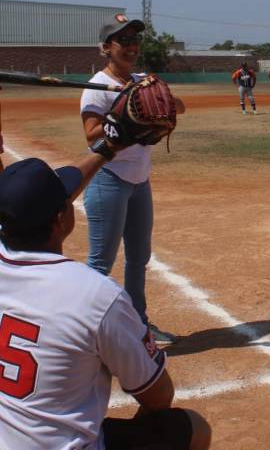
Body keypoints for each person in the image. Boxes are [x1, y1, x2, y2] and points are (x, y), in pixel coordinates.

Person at [0, 153, 211, 449]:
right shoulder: (95, 294)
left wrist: (108, 147)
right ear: (60, 218)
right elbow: (158, 396)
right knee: (192, 428)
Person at [80, 15, 184, 345]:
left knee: (138, 258)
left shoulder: (142, 81)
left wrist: (160, 99)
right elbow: (91, 137)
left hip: (140, 181)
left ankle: (138, 324)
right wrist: (121, 115)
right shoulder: (95, 87)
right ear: (106, 48)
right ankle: (86, 333)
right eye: (122, 41)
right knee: (100, 264)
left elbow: (178, 106)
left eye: (133, 40)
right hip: (109, 180)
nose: (130, 47)